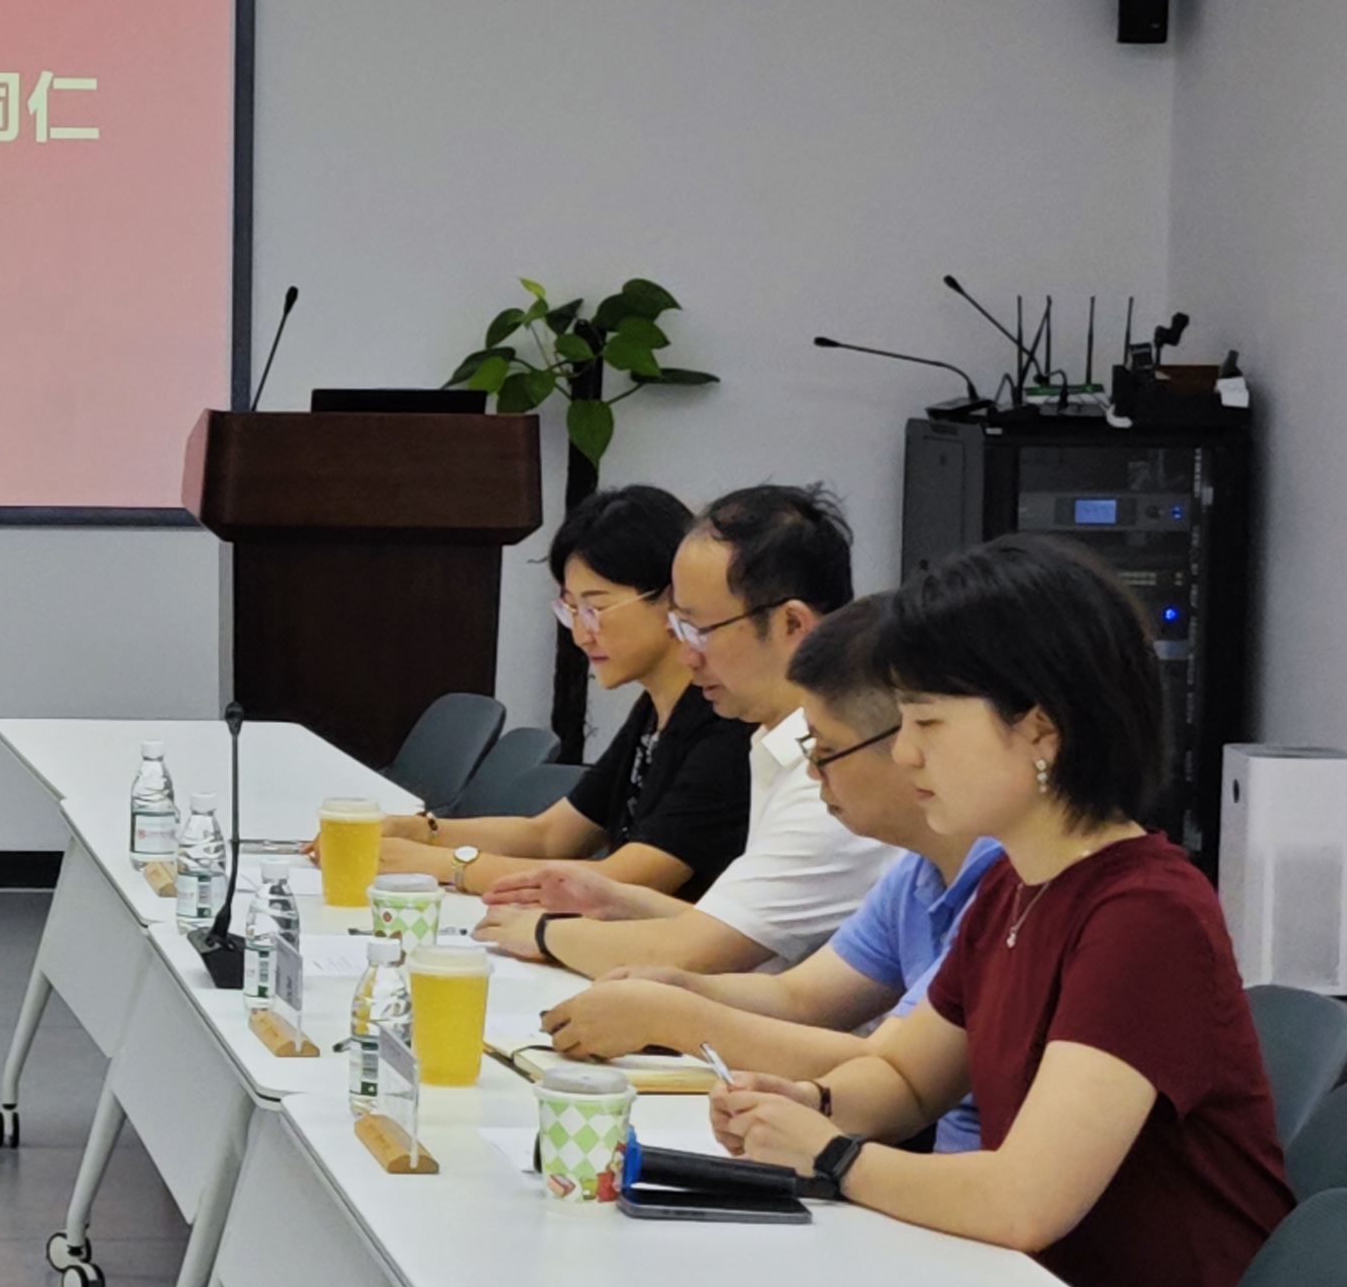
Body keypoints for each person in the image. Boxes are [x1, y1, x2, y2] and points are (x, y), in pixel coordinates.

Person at [711, 536, 1293, 1287]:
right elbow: (907, 1079)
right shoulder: (1015, 886)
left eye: (928, 722)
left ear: (1041, 730)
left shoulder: (1146, 917)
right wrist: (809, 1105)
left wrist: (833, 1155)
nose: (905, 752)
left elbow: (1024, 1202)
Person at [539, 594, 1001, 1147]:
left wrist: (673, 1016)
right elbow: (802, 997)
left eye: (826, 749)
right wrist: (681, 987)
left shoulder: (1003, 882)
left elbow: (892, 1068)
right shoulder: (918, 870)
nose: (812, 770)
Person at [478, 481, 886, 980]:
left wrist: (543, 933)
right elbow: (743, 931)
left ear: (791, 625)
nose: (687, 655)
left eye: (701, 630)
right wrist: (616, 900)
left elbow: (698, 951)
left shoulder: (835, 770)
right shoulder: (773, 740)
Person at [367, 483, 745, 904]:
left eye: (596, 609)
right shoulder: (655, 711)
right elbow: (550, 835)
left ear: (673, 599)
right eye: (572, 610)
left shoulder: (726, 723)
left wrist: (438, 864)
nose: (582, 634)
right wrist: (421, 831)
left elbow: (623, 880)